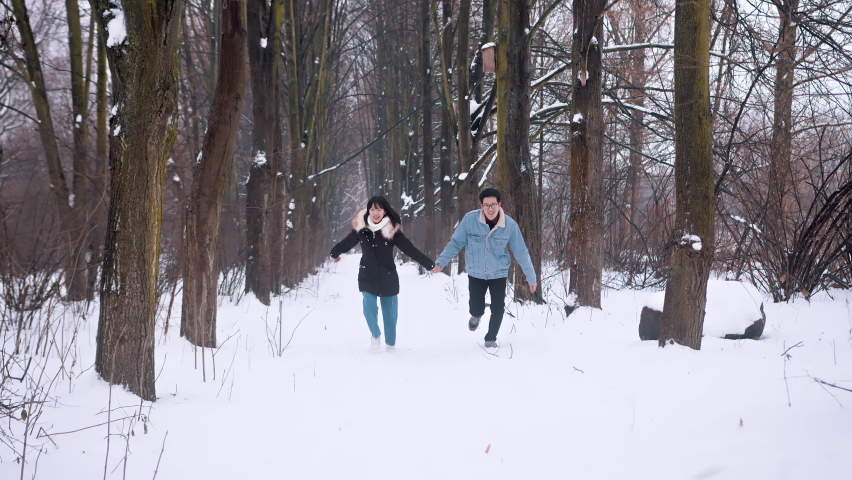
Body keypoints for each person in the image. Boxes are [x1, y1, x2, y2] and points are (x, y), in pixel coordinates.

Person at [430, 188, 537, 349]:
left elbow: (521, 252)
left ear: (499, 204)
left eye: (493, 204)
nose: (490, 209)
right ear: (481, 206)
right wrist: (440, 262)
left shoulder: (509, 225)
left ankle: (490, 338)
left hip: (498, 273)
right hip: (476, 272)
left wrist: (531, 277)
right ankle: (476, 315)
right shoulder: (469, 220)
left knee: (498, 308)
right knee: (476, 306)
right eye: (486, 205)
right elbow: (455, 243)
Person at [330, 196, 435, 352]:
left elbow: (410, 249)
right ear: (368, 211)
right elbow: (347, 242)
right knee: (369, 308)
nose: (375, 213)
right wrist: (334, 253)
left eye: (379, 209)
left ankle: (391, 346)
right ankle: (375, 334)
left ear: (385, 210)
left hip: (388, 276)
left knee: (390, 315)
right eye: (372, 209)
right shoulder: (361, 228)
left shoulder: (392, 230)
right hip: (367, 274)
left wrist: (429, 264)